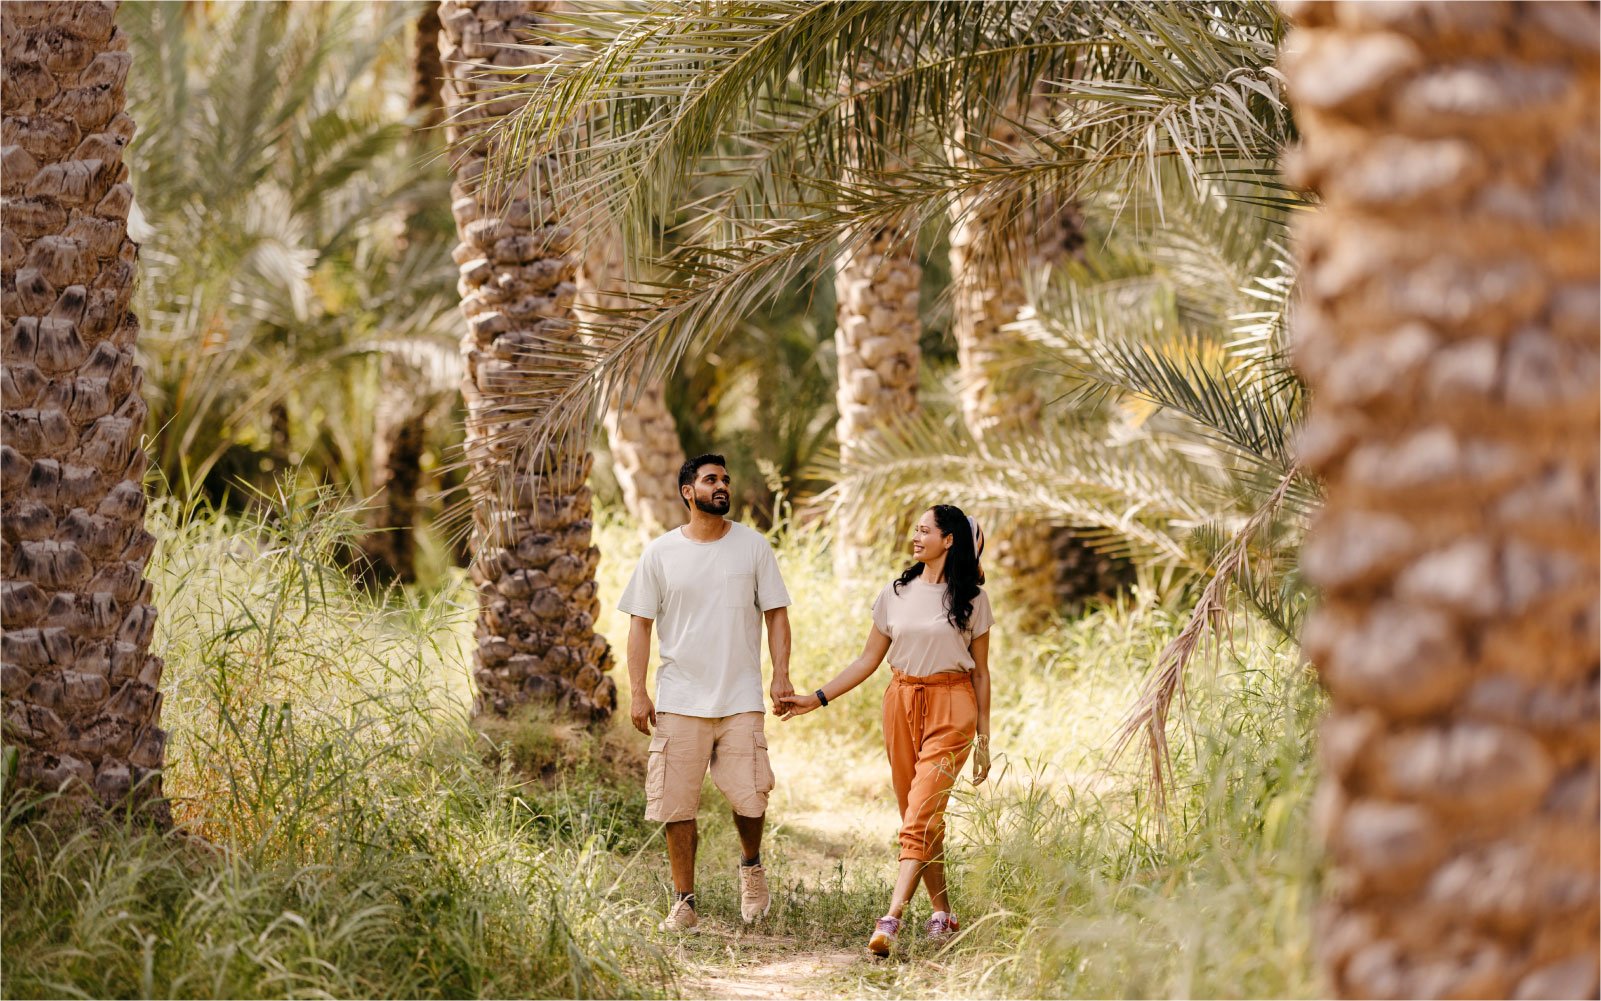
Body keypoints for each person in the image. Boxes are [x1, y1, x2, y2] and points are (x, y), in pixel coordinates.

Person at [778, 504, 992, 957]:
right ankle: (943, 913)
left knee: (919, 815)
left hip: (953, 706)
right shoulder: (896, 592)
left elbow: (982, 674)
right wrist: (814, 699)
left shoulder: (972, 599)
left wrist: (985, 742)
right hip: (900, 702)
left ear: (948, 540)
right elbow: (866, 661)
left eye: (924, 530)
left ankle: (891, 919)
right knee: (918, 814)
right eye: (916, 530)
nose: (916, 537)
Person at [618, 453, 794, 932]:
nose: (721, 486)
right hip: (679, 699)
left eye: (725, 479)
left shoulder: (753, 547)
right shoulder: (660, 553)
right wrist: (639, 692)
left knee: (752, 796)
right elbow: (640, 625)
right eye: (710, 479)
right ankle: (684, 902)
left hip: (740, 697)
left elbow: (776, 613)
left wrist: (781, 675)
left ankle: (751, 869)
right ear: (687, 492)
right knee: (677, 803)